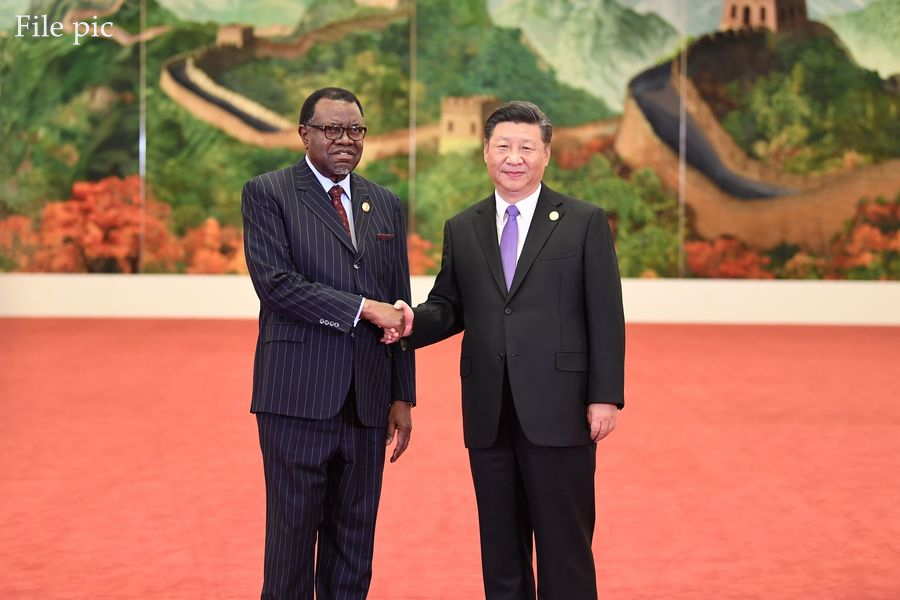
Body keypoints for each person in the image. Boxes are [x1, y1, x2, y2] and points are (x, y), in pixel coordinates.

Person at [395, 101, 624, 599]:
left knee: (566, 552)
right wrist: (410, 321)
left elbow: (606, 314)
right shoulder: (463, 226)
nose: (513, 157)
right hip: (489, 412)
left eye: (526, 147)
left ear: (546, 155)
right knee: (500, 554)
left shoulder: (583, 221)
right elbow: (450, 305)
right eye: (503, 145)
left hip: (561, 410)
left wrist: (605, 395)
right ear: (485, 152)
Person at [241, 86, 415, 599]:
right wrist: (362, 308)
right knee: (292, 542)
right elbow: (276, 285)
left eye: (355, 130)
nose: (345, 140)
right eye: (331, 129)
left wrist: (401, 395)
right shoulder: (268, 192)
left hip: (367, 399)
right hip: (297, 397)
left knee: (354, 544)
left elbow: (399, 302)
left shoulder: (384, 203)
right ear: (305, 134)